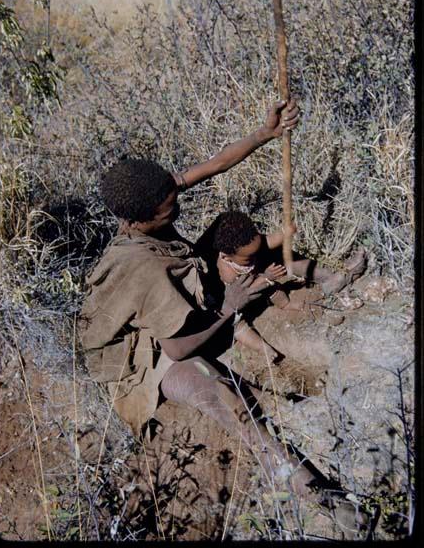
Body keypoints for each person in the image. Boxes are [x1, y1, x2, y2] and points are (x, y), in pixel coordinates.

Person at [78, 100, 369, 536]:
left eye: (173, 198)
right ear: (137, 220)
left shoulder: (150, 205)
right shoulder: (146, 269)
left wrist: (264, 134)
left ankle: (323, 278)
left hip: (184, 307)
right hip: (151, 358)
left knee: (232, 234)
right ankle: (324, 497)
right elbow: (178, 346)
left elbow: (211, 167)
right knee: (227, 400)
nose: (176, 208)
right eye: (169, 209)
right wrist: (229, 308)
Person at [195, 210, 366, 363]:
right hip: (240, 299)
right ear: (226, 257)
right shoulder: (227, 271)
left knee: (277, 278)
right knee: (237, 325)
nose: (255, 256)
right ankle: (264, 349)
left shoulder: (247, 247)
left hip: (260, 280)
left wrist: (285, 232)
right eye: (248, 258)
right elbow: (245, 291)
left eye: (256, 249)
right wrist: (265, 277)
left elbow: (267, 242)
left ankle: (322, 283)